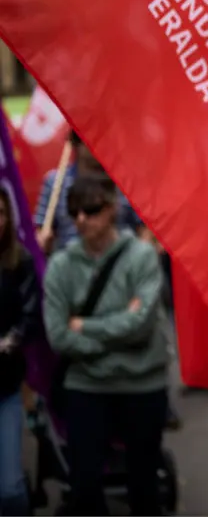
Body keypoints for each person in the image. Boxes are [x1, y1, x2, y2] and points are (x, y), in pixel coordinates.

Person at [43, 175, 170, 516]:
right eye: (74, 211)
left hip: (142, 383)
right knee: (84, 485)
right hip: (87, 386)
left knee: (144, 485)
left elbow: (142, 326)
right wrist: (119, 332)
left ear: (112, 210)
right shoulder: (60, 267)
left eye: (91, 209)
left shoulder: (141, 257)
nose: (81, 219)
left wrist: (85, 326)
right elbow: (58, 336)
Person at [34, 131, 145, 254]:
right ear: (77, 143)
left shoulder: (128, 181)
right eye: (93, 138)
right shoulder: (55, 182)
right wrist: (42, 243)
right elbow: (41, 232)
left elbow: (144, 231)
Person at [0, 188, 41, 516]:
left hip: (5, 388)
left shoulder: (19, 261)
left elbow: (29, 316)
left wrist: (9, 342)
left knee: (10, 491)